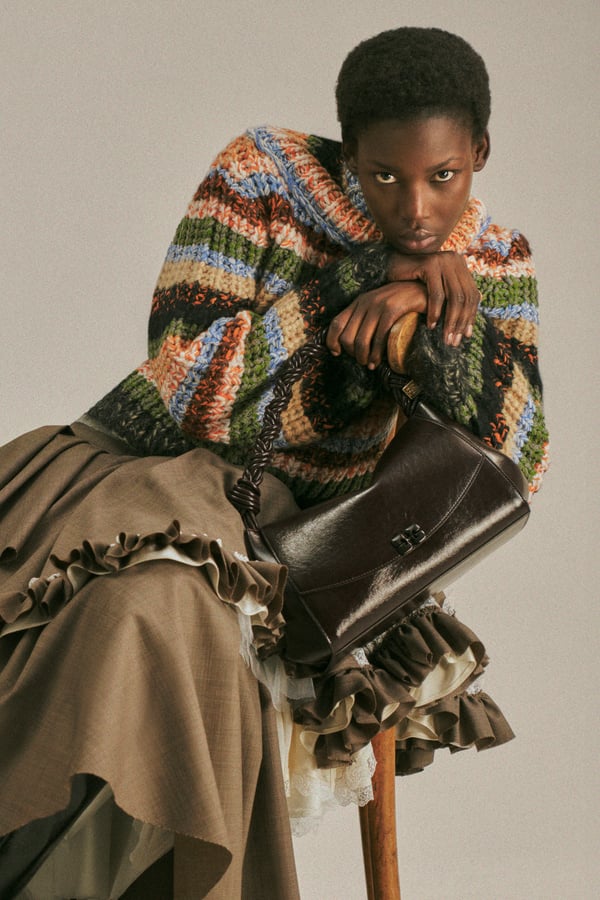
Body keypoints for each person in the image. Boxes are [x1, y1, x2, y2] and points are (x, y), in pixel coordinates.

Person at [0, 26, 548, 900]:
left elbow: (517, 461)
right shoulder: (260, 177)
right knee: (142, 617)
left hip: (322, 551)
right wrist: (357, 281)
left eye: (443, 176)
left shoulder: (496, 263)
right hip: (161, 480)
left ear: (479, 152)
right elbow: (186, 384)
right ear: (349, 151)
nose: (416, 207)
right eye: (385, 176)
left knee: (173, 625)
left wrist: (439, 323)